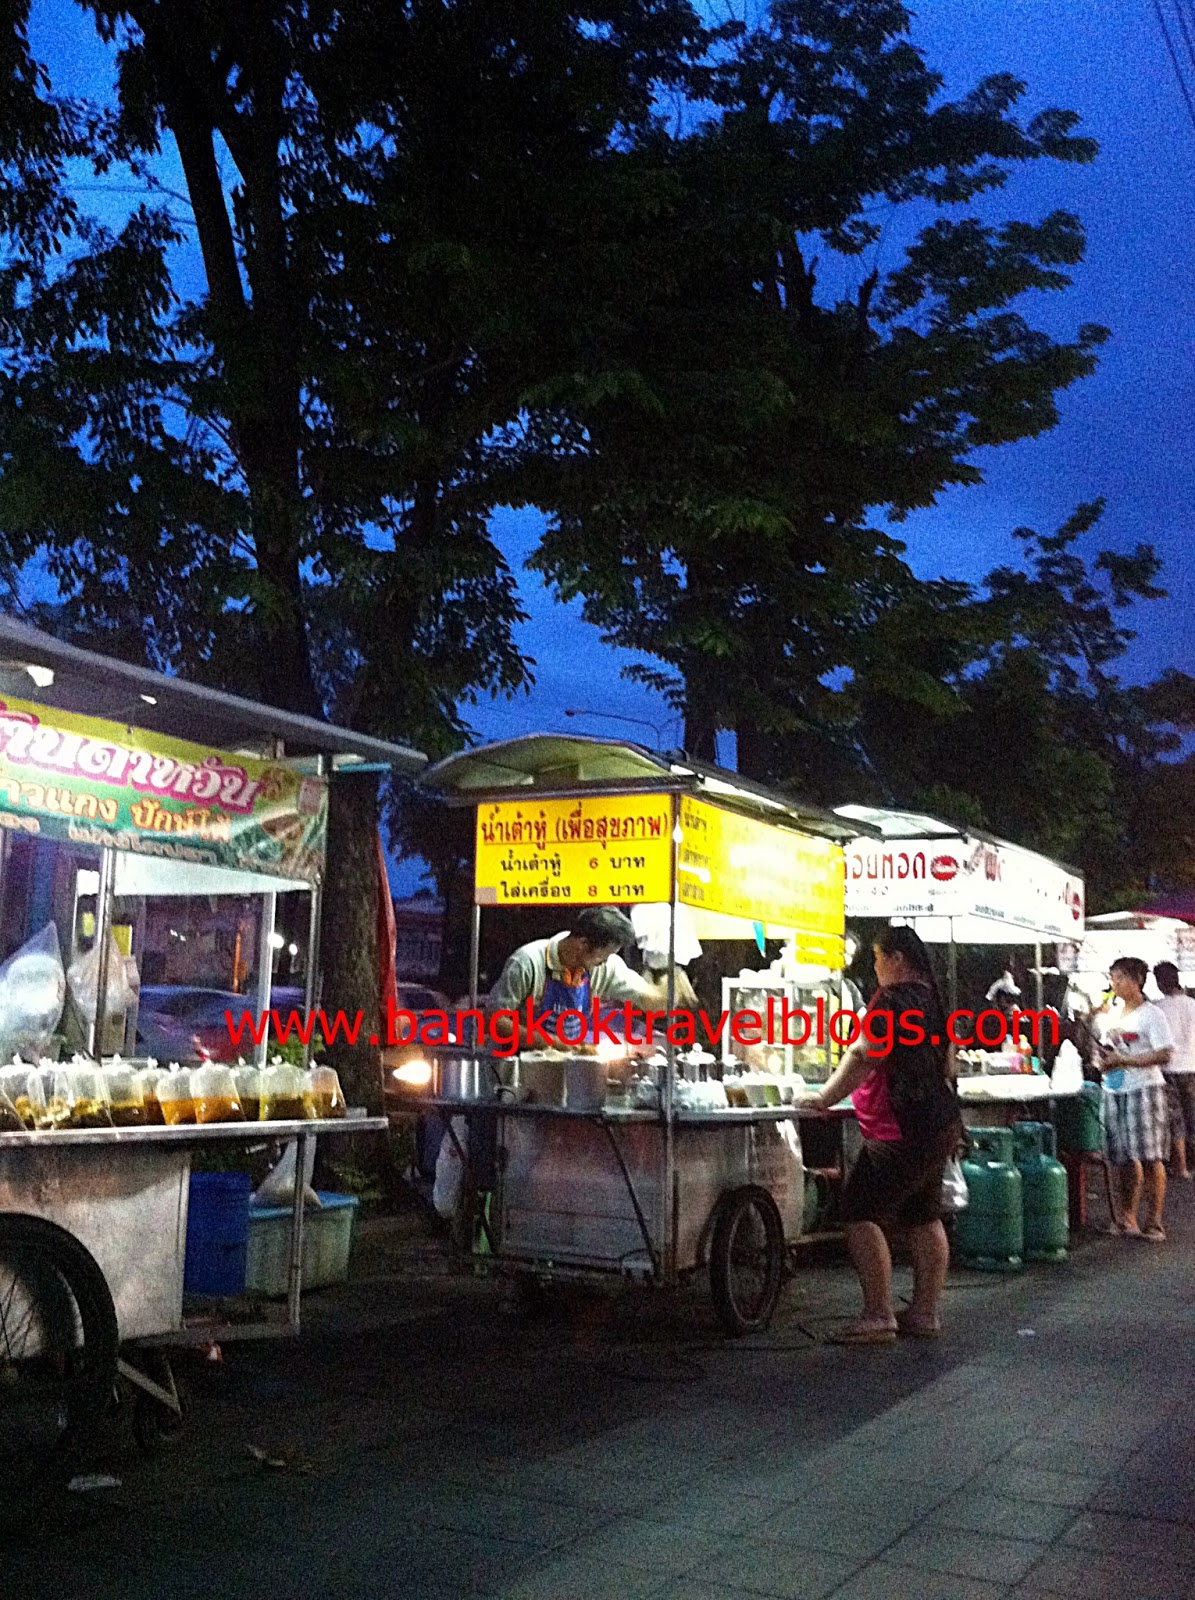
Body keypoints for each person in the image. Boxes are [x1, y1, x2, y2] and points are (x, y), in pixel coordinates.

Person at [801, 924, 962, 1344]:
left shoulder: (890, 1000)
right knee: (923, 1215)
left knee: (858, 1211)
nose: (874, 969)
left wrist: (824, 1096)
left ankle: (878, 1315)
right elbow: (948, 1065)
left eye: (876, 960)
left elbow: (864, 1054)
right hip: (940, 1119)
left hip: (901, 1125)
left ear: (895, 959)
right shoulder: (934, 997)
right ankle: (924, 1313)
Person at [486, 906, 695, 1048]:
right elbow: (496, 1021)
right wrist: (554, 1043)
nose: (605, 961)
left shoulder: (606, 967)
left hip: (570, 1067)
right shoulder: (527, 962)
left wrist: (669, 989)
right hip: (518, 1067)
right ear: (583, 944)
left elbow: (648, 1001)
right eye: (604, 954)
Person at [1098, 956, 1173, 1240]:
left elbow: (1164, 1053)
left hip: (1145, 1089)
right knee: (1121, 1156)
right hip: (1114, 1087)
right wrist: (1103, 1060)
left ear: (1137, 980)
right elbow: (1107, 1047)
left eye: (1119, 978)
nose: (1114, 983)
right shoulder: (1113, 1013)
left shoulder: (1152, 1015)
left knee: (1150, 1155)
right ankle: (1126, 1217)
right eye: (1112, 977)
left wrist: (1125, 1060)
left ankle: (1154, 1222)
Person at [1154, 961, 1195, 1181]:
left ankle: (1181, 1167)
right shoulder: (1193, 1005)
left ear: (1160, 982)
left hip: (1167, 1069)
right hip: (1193, 1068)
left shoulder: (1158, 1008)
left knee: (1175, 1118)